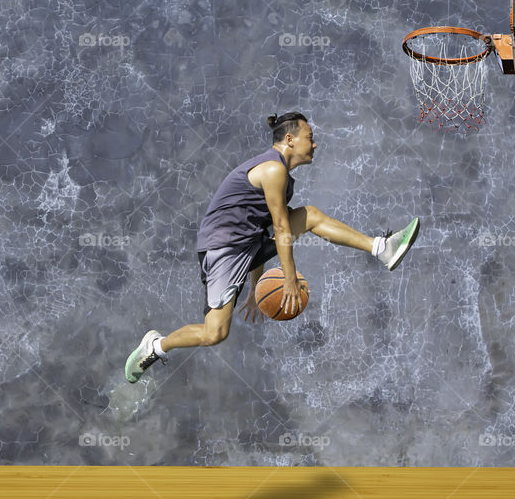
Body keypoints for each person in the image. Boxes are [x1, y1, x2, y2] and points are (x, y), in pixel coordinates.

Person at [125, 112, 420, 383]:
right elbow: (280, 230)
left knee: (310, 215)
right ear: (289, 140)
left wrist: (255, 289)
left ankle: (381, 248)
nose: (314, 145)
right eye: (310, 138)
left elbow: (259, 232)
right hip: (224, 250)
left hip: (243, 245)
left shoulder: (281, 176)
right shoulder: (272, 171)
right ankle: (156, 346)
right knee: (214, 333)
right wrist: (288, 278)